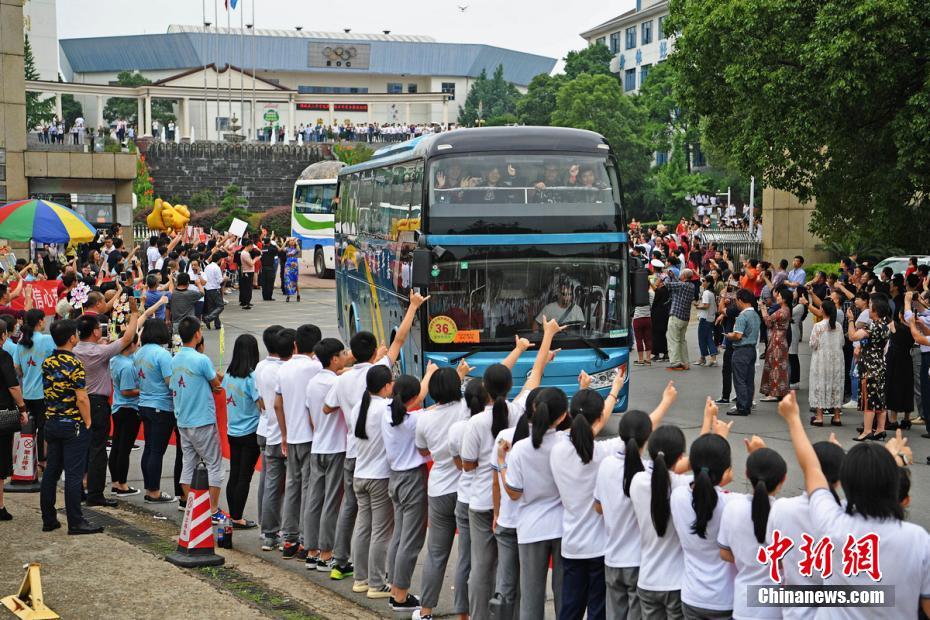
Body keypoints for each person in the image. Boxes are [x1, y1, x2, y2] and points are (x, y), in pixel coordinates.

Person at [778, 391, 930, 619]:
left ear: (844, 483)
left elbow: (812, 468)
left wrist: (793, 419)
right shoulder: (917, 539)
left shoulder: (832, 523)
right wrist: (897, 459)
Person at [323, 290, 428, 581]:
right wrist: (413, 307)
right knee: (380, 527)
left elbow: (327, 407)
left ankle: (342, 563)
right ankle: (373, 580)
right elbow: (400, 340)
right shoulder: (379, 379)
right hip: (377, 466)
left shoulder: (344, 381)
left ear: (352, 353)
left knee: (356, 516)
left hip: (353, 456)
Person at [463, 324, 559, 620]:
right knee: (519, 575)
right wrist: (546, 338)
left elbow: (467, 465)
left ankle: (478, 615)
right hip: (513, 505)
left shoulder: (474, 421)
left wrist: (519, 350)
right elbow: (536, 376)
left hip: (482, 503)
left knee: (482, 567)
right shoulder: (519, 411)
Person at [548, 371, 631, 620]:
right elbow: (640, 430)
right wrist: (614, 389)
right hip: (601, 547)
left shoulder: (558, 448)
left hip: (572, 545)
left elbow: (587, 423)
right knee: (598, 609)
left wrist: (582, 391)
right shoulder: (605, 452)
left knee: (570, 608)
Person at [73, 298, 144, 507]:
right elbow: (128, 337)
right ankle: (95, 493)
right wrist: (133, 313)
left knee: (79, 448)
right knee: (97, 449)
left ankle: (78, 490)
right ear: (95, 332)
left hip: (78, 402)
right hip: (96, 404)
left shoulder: (75, 350)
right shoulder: (99, 352)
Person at [39, 319, 101, 534]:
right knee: (74, 475)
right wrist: (88, 421)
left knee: (51, 472)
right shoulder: (74, 364)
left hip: (52, 422)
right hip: (72, 423)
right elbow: (82, 398)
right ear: (71, 338)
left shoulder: (48, 362)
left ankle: (49, 518)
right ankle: (76, 521)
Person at [670, 428, 737, 620]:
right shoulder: (732, 504)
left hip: (691, 596)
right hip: (725, 599)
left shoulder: (678, 496)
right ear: (726, 470)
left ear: (693, 464)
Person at [718, 443, 786, 620]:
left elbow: (724, 553)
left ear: (747, 474)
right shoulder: (785, 512)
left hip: (742, 606)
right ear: (783, 479)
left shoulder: (733, 507)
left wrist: (747, 559)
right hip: (776, 610)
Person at [629, 424, 690, 619]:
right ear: (681, 456)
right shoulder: (683, 485)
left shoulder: (637, 481)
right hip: (677, 583)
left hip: (647, 580)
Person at [351, 365, 398, 600]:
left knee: (363, 527)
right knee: (381, 531)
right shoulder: (385, 407)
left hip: (360, 474)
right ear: (386, 385)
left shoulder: (358, 407)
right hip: (379, 477)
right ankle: (377, 584)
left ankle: (361, 579)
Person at [382, 374, 429, 612]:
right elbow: (424, 400)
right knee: (410, 540)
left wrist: (428, 375)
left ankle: (394, 586)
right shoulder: (416, 420)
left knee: (400, 535)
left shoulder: (387, 411)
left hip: (395, 479)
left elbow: (417, 396)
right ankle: (399, 596)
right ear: (413, 398)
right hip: (412, 480)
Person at [304, 338, 350, 571]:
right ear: (333, 358)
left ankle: (311, 550)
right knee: (331, 502)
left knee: (314, 500)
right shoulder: (336, 383)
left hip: (318, 445)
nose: (345, 356)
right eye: (342, 354)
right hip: (335, 448)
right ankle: (326, 553)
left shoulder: (313, 383)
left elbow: (311, 415)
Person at [170, 316, 224, 517]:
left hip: (183, 420)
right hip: (202, 420)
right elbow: (216, 386)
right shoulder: (201, 359)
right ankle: (213, 509)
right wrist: (218, 381)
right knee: (214, 464)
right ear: (197, 334)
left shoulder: (174, 359)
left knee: (188, 464)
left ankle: (193, 507)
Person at [278, 325, 323, 559]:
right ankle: (306, 541)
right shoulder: (315, 367)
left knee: (293, 486)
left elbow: (277, 404)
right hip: (309, 437)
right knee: (309, 488)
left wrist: (284, 434)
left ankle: (289, 539)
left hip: (292, 436)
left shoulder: (284, 368)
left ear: (295, 344)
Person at [221, 334, 263, 529]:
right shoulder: (252, 377)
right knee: (245, 476)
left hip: (233, 431)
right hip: (250, 432)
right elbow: (261, 404)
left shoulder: (229, 374)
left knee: (235, 474)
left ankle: (233, 514)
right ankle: (237, 517)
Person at [259, 327, 292, 551]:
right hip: (287, 435)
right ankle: (289, 534)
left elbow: (260, 401)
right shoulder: (287, 371)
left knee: (271, 484)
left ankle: (269, 533)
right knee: (291, 486)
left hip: (269, 430)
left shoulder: (261, 367)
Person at [15, 309, 55, 469]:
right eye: (44, 319)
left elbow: (17, 368)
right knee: (43, 427)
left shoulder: (20, 341)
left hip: (27, 392)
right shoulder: (47, 339)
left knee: (28, 428)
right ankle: (43, 461)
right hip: (43, 392)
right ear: (39, 321)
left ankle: (27, 462)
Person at [849, 294, 891, 441]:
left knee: (869, 400)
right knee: (880, 398)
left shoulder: (872, 326)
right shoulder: (886, 327)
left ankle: (867, 430)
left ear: (875, 311)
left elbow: (853, 336)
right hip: (880, 364)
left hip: (869, 366)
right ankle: (880, 429)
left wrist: (851, 320)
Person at [0, 322, 27, 521]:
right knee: (1, 462)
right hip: (2, 414)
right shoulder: (3, 356)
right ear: (3, 336)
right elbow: (13, 386)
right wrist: (23, 408)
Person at [108, 332, 140, 497]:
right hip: (128, 409)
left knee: (117, 446)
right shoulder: (127, 366)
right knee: (124, 449)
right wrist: (143, 390)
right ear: (132, 345)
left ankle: (115, 482)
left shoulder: (115, 360)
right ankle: (122, 484)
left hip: (117, 408)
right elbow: (127, 391)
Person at [808, 299, 846, 426]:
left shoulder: (818, 326)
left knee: (820, 384)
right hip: (836, 360)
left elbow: (812, 344)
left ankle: (819, 417)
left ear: (822, 310)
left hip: (821, 360)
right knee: (836, 385)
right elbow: (842, 343)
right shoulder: (838, 326)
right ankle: (836, 417)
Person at [726, 289, 760, 417]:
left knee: (739, 379)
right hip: (752, 349)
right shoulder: (755, 315)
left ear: (740, 300)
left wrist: (730, 335)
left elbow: (738, 335)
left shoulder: (742, 316)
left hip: (741, 350)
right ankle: (748, 404)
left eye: (736, 300)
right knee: (749, 379)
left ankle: (742, 406)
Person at [658, 268, 697, 371]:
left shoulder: (681, 285)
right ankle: (684, 362)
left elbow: (668, 285)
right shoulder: (691, 286)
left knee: (672, 339)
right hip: (685, 317)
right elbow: (679, 284)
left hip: (676, 315)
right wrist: (673, 276)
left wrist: (666, 276)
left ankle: (675, 362)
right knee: (681, 340)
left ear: (683, 276)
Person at [759, 287, 791, 402]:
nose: (777, 297)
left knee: (775, 366)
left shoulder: (782, 311)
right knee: (779, 366)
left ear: (784, 299)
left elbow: (768, 321)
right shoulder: (786, 309)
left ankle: (774, 392)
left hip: (778, 339)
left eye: (779, 296)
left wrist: (763, 308)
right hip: (780, 339)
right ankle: (778, 391)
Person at [695, 276, 718, 367]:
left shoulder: (706, 293)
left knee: (702, 339)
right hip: (710, 318)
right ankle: (712, 358)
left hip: (705, 318)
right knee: (708, 338)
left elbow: (706, 305)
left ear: (708, 283)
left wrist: (697, 306)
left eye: (704, 281)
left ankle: (703, 357)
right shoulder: (712, 293)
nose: (702, 283)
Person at [201, 251, 226, 330]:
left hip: (207, 289)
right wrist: (225, 278)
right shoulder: (216, 267)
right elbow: (219, 280)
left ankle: (217, 324)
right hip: (214, 289)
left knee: (213, 307)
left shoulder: (207, 267)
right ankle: (208, 318)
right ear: (220, 259)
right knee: (220, 306)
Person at [632, 285, 654, 366]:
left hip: (637, 318)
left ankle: (640, 360)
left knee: (639, 340)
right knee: (648, 339)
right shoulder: (651, 294)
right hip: (648, 318)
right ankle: (648, 359)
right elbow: (652, 306)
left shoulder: (637, 295)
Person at [239, 239, 255, 310]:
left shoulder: (245, 253)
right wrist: (256, 259)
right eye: (252, 246)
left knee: (248, 288)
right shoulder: (245, 253)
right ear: (249, 245)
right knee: (247, 288)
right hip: (248, 272)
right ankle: (246, 303)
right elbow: (251, 264)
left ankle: (247, 302)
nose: (252, 248)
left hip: (247, 271)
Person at [284, 238, 301, 303]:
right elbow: (281, 249)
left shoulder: (296, 249)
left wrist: (296, 243)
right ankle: (288, 296)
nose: (291, 241)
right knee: (287, 280)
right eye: (290, 240)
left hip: (294, 266)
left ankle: (298, 294)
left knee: (295, 280)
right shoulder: (287, 249)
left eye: (292, 240)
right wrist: (285, 241)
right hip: (288, 266)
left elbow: (299, 250)